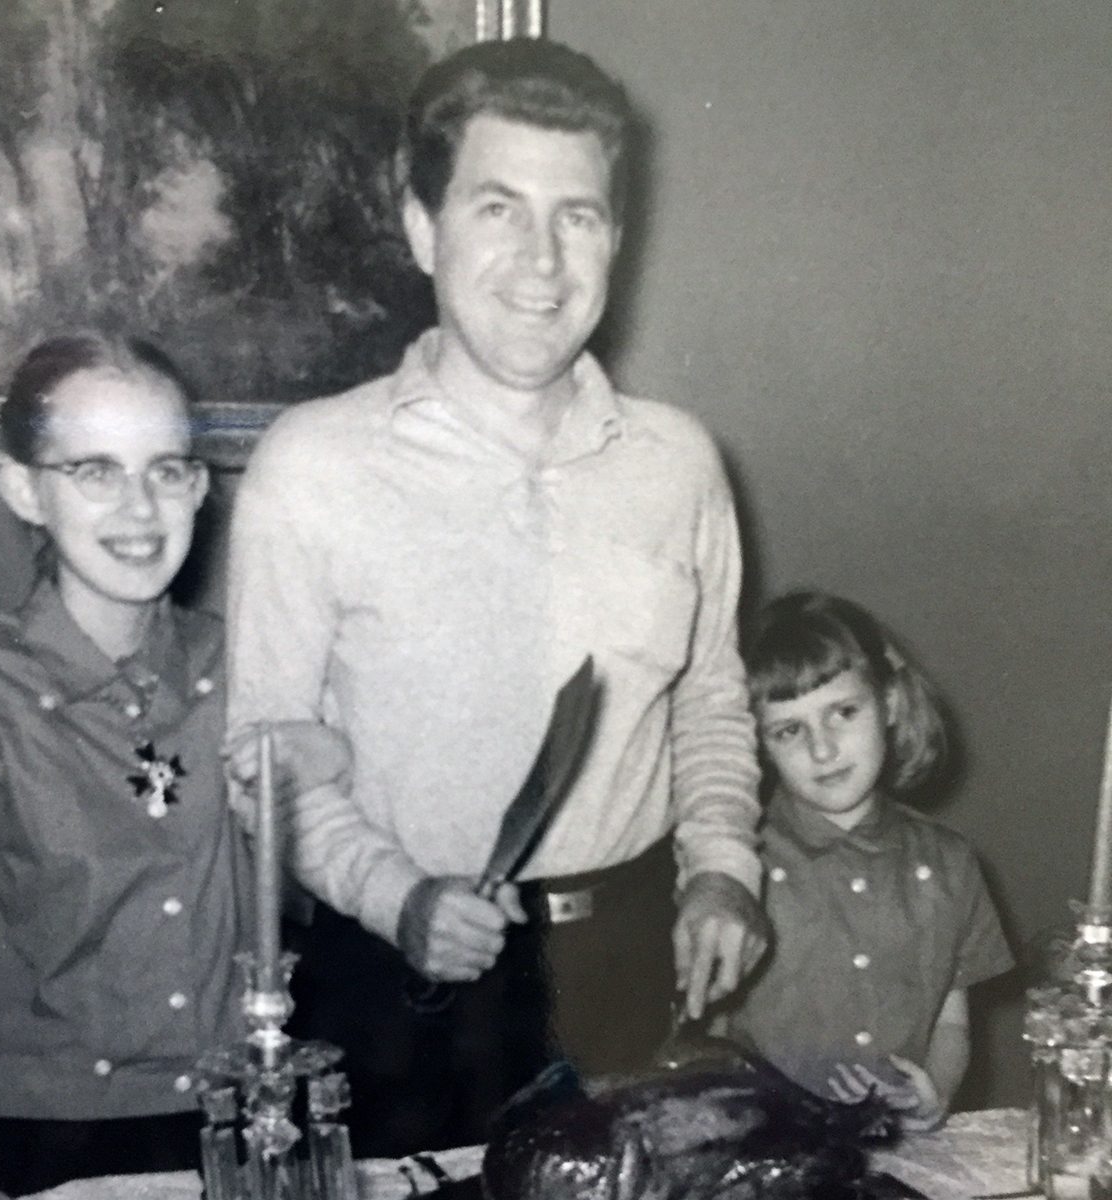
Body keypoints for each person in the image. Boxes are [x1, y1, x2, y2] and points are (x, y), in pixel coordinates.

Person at [227, 38, 766, 1155]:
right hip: (399, 990)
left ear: (617, 235)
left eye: (579, 215)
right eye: (498, 208)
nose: (543, 261)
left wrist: (722, 872)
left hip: (628, 966)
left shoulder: (681, 464)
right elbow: (266, 760)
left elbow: (710, 702)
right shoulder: (310, 465)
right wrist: (396, 897)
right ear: (423, 228)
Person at [0, 333, 237, 1198]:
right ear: (25, 489)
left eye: (167, 470)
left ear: (199, 488)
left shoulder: (238, 665)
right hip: (52, 1132)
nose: (140, 508)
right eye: (95, 471)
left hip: (233, 1113)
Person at [728, 591, 1013, 1130]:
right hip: (764, 1154)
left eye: (843, 712)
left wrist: (935, 1091)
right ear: (758, 746)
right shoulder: (738, 870)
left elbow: (952, 1022)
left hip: (898, 1151)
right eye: (790, 730)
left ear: (891, 705)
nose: (823, 748)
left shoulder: (950, 865)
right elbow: (704, 1038)